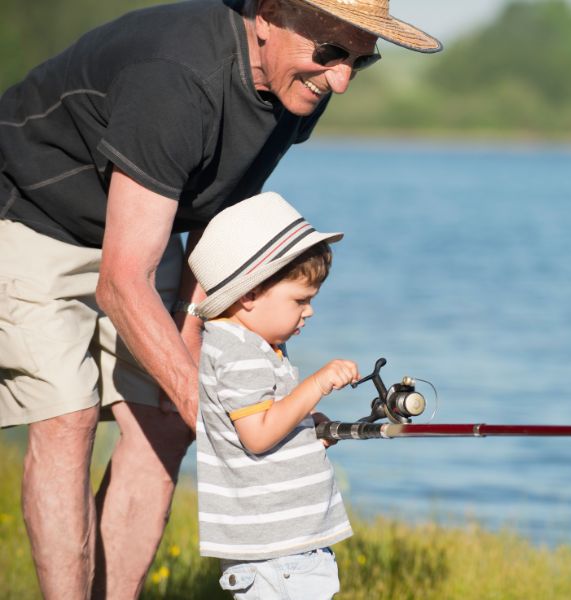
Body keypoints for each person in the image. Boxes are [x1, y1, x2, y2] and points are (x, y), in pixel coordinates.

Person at [0, 0, 440, 597]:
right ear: (266, 16)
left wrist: (198, 357)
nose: (341, 79)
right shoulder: (177, 78)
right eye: (332, 53)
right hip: (28, 210)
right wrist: (211, 407)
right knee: (68, 418)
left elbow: (221, 212)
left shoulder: (300, 83)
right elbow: (120, 282)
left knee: (164, 419)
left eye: (361, 61)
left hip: (139, 224)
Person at [188, 191, 357, 599]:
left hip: (284, 546)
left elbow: (265, 420)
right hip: (277, 554)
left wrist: (305, 426)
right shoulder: (238, 351)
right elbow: (258, 435)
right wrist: (314, 386)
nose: (309, 311)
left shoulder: (254, 343)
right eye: (300, 300)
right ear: (248, 295)